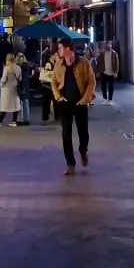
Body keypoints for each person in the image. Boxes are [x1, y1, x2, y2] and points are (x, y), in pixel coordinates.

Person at [51, 37, 96, 174]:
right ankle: (70, 163)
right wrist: (58, 97)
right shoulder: (58, 64)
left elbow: (91, 82)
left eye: (59, 48)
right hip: (65, 104)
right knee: (66, 134)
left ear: (67, 49)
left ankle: (83, 151)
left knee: (83, 132)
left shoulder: (83, 63)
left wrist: (85, 99)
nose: (57, 50)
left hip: (80, 102)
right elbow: (53, 81)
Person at [0, 53, 21, 126]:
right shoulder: (18, 67)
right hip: (15, 87)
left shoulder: (7, 68)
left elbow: (4, 78)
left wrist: (1, 85)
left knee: (5, 106)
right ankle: (14, 121)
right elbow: (20, 78)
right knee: (14, 105)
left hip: (7, 88)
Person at [40, 47, 59, 123]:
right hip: (47, 86)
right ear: (52, 55)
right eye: (56, 55)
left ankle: (55, 116)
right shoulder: (48, 64)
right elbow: (48, 74)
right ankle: (45, 117)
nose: (57, 56)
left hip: (51, 85)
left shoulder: (54, 63)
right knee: (47, 102)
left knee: (54, 101)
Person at [15, 52, 32, 125]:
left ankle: (20, 119)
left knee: (20, 103)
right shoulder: (27, 66)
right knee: (26, 102)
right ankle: (26, 119)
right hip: (26, 85)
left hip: (20, 85)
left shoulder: (17, 67)